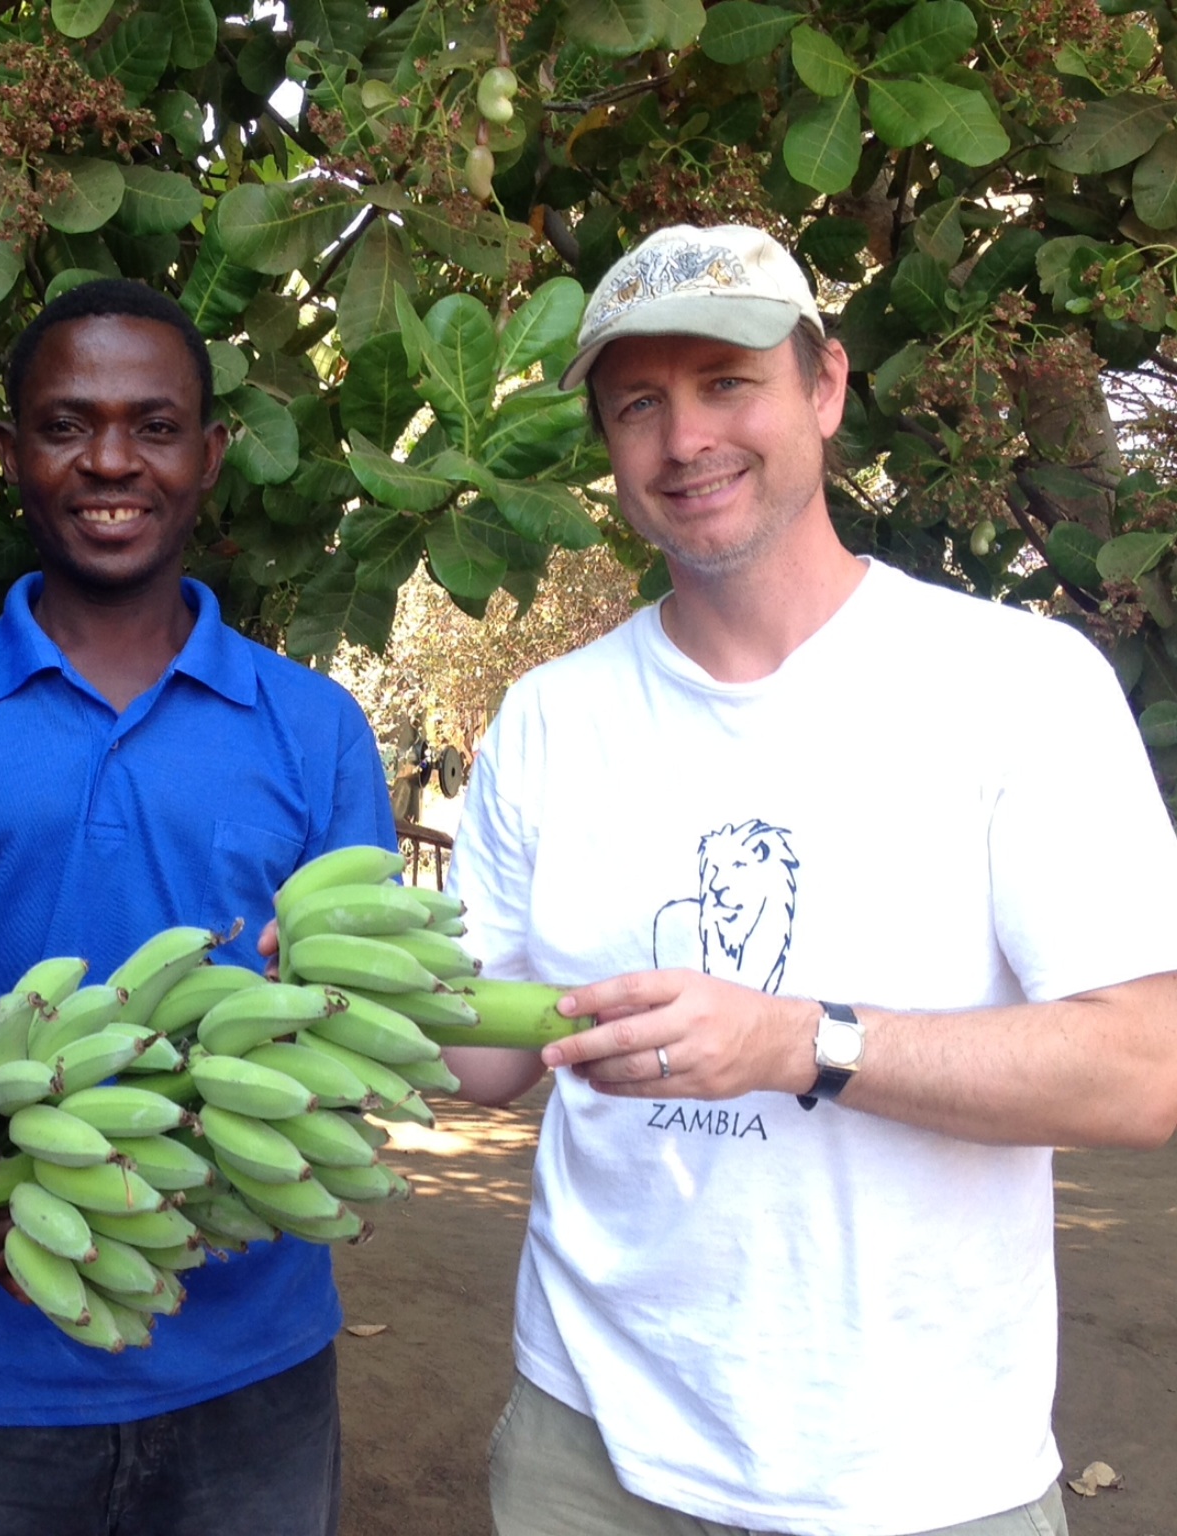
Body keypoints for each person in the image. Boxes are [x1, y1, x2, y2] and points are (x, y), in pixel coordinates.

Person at [444, 221, 1177, 1536]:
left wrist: (799, 1043)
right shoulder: (550, 720)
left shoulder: (1019, 687)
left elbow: (1145, 1068)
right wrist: (338, 985)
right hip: (589, 1449)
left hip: (920, 1475)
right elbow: (488, 1063)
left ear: (825, 386)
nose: (686, 442)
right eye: (638, 406)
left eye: (728, 383)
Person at [0, 279, 394, 1536]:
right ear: (12, 451)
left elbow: (363, 1026)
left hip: (254, 1366)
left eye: (154, 425)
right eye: (67, 425)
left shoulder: (310, 729)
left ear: (209, 455)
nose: (111, 461)